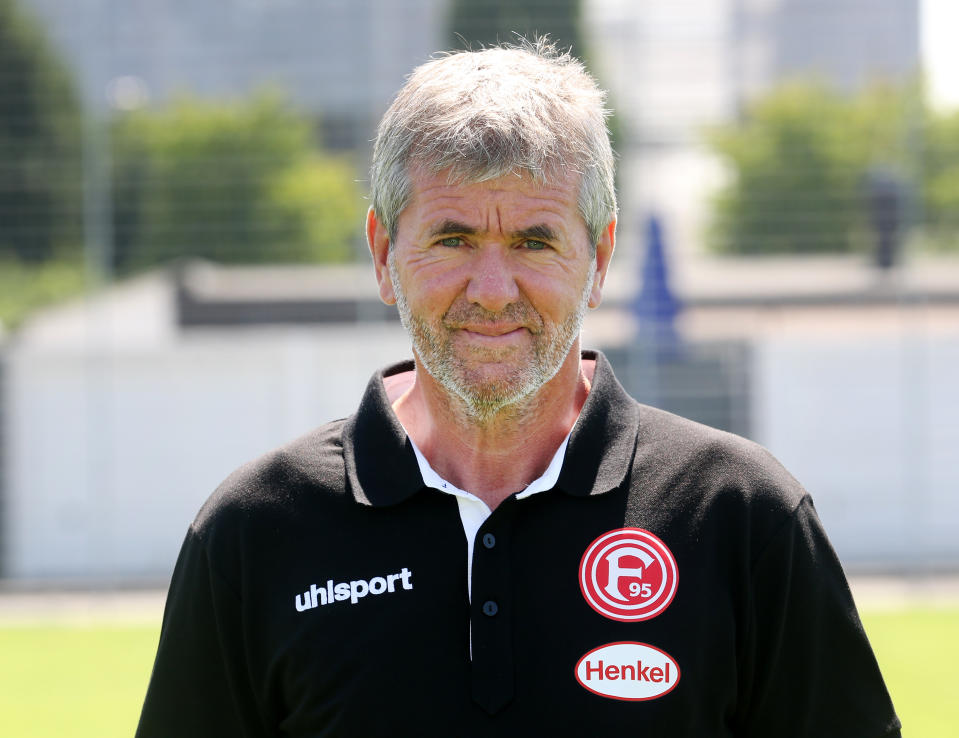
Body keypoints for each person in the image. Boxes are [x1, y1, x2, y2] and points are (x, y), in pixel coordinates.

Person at [136, 39, 901, 737]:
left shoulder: (740, 516)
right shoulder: (253, 531)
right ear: (381, 253)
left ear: (598, 258)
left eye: (534, 241)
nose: (494, 289)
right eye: (452, 238)